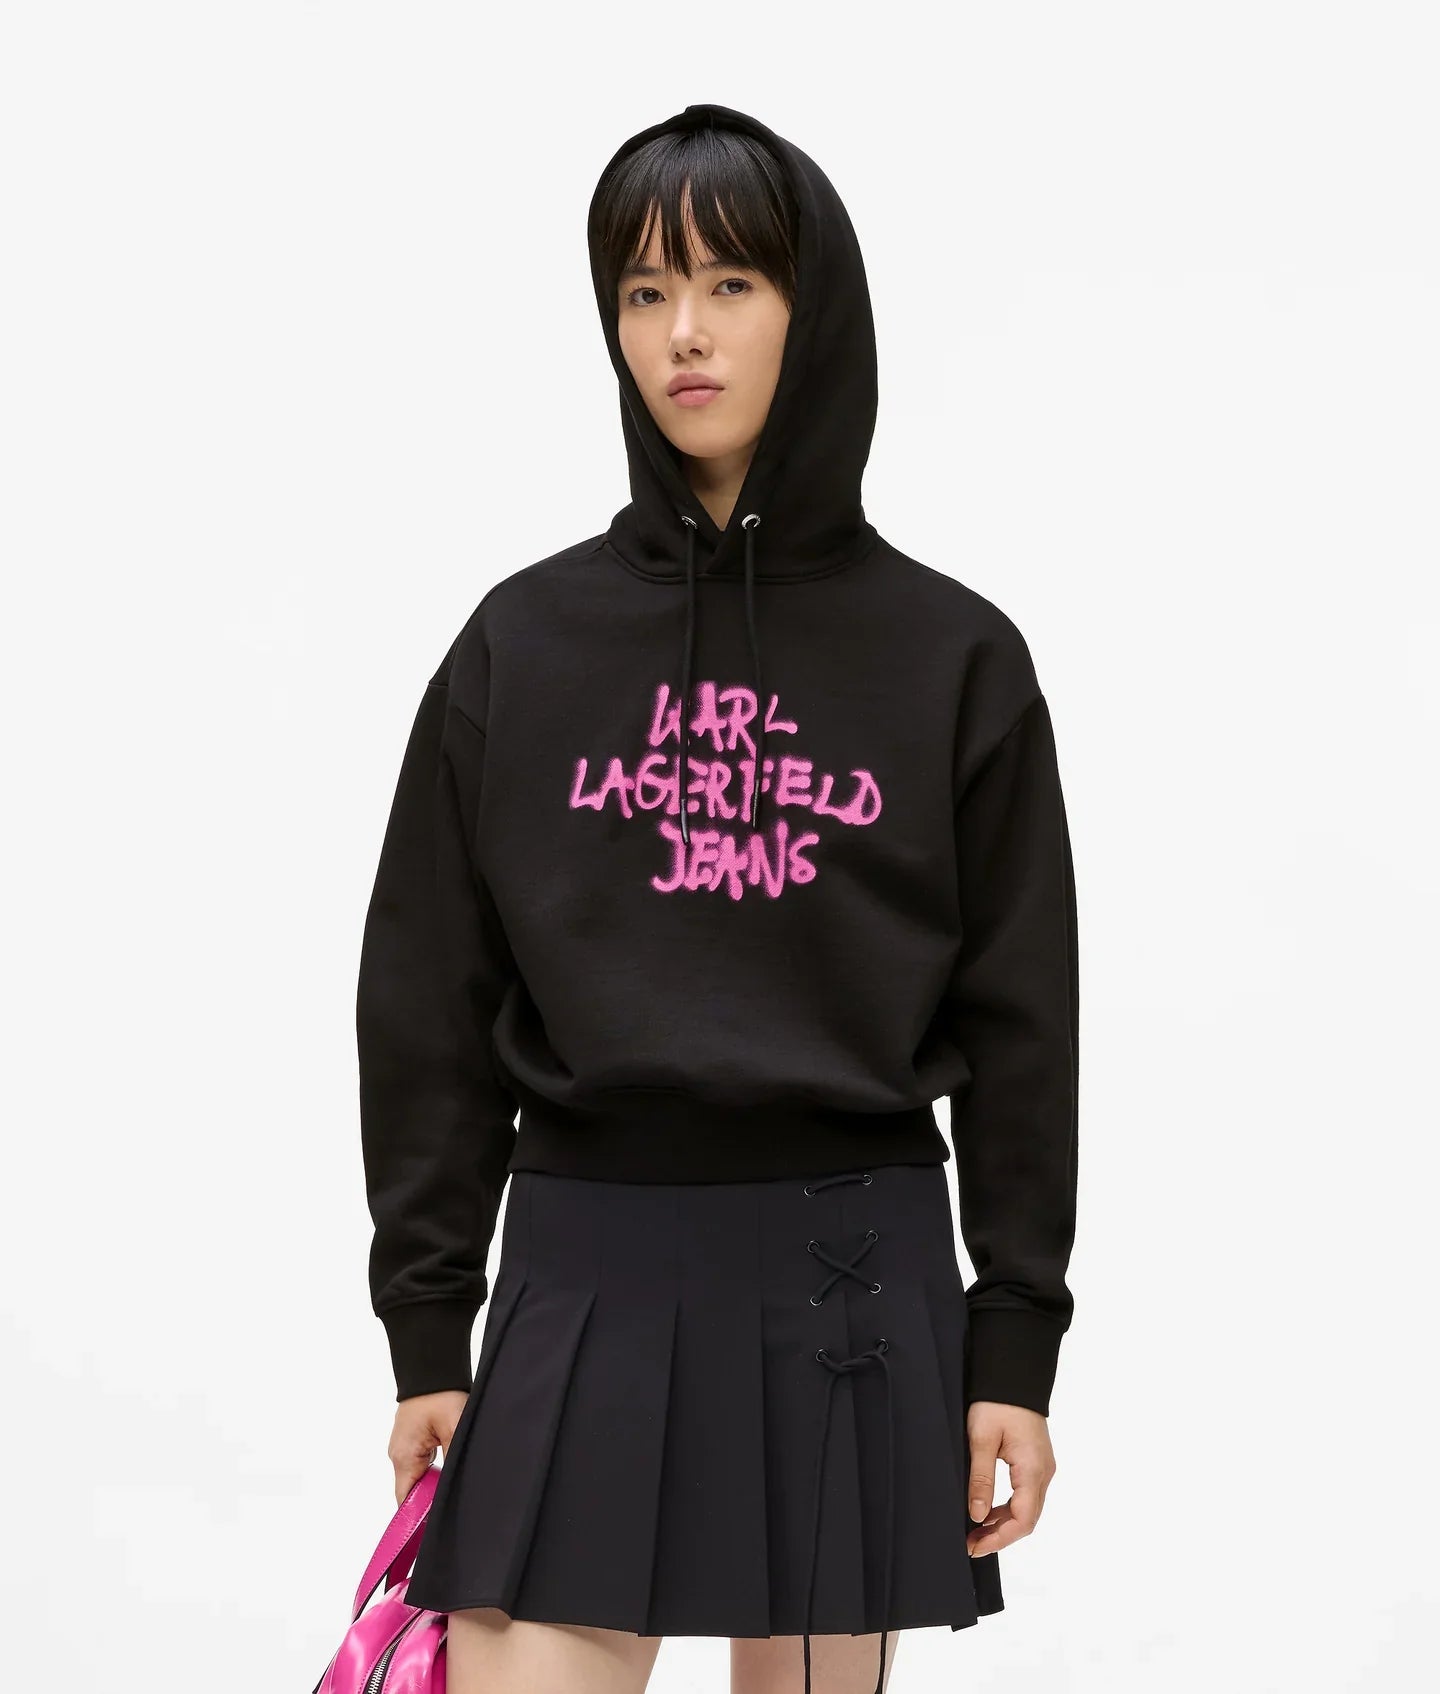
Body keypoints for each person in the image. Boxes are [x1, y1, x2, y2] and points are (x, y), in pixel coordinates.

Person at [355, 102, 1079, 1694]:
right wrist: (428, 1321)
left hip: (849, 1282)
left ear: (816, 310)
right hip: (582, 1268)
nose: (681, 332)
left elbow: (1025, 1023)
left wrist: (1015, 1340)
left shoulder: (955, 658)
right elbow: (426, 996)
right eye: (642, 289)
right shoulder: (520, 646)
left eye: (730, 283)